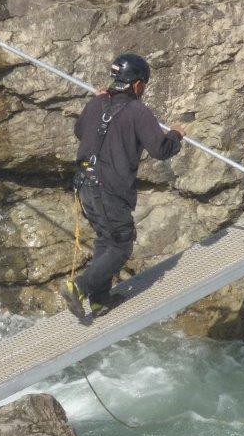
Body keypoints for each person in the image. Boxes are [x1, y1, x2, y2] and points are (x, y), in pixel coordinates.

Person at [60, 53, 186, 321]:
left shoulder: (96, 103)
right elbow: (161, 149)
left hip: (84, 185)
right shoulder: (139, 112)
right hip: (108, 189)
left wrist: (99, 104)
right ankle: (80, 287)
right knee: (121, 245)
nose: (144, 89)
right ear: (137, 84)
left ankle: (99, 299)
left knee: (107, 238)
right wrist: (176, 133)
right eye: (144, 84)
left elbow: (81, 132)